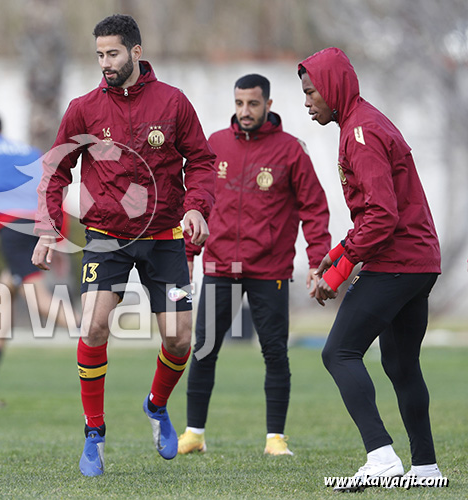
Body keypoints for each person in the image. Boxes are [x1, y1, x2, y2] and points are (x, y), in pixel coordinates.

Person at [32, 14, 216, 476]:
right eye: (99, 55)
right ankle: (94, 433)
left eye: (113, 53)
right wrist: (49, 227)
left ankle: (156, 406)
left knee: (179, 338)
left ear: (136, 51)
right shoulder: (84, 108)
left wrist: (196, 207)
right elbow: (57, 169)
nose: (105, 63)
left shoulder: (173, 103)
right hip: (106, 237)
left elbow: (202, 161)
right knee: (92, 327)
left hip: (166, 236)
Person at [298, 47, 442, 490]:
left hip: (398, 261)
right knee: (401, 365)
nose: (306, 103)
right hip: (419, 261)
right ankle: (425, 468)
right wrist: (338, 253)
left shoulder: (360, 132)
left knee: (338, 352)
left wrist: (337, 274)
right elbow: (377, 214)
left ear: (333, 87)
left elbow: (382, 217)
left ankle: (381, 457)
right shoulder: (364, 122)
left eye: (310, 93)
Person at [179, 73, 331, 457]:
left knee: (274, 352)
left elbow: (314, 209)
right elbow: (195, 206)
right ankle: (194, 434)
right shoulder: (214, 146)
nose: (245, 111)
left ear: (268, 104)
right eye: (239, 104)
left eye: (252, 104)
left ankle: (275, 438)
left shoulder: (291, 151)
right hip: (218, 266)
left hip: (270, 270)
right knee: (204, 349)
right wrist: (187, 259)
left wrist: (318, 263)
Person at [0, 110, 75, 389]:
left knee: (36, 298)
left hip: (14, 228)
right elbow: (56, 191)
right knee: (3, 290)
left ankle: (89, 332)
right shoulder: (30, 151)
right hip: (39, 224)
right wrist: (58, 239)